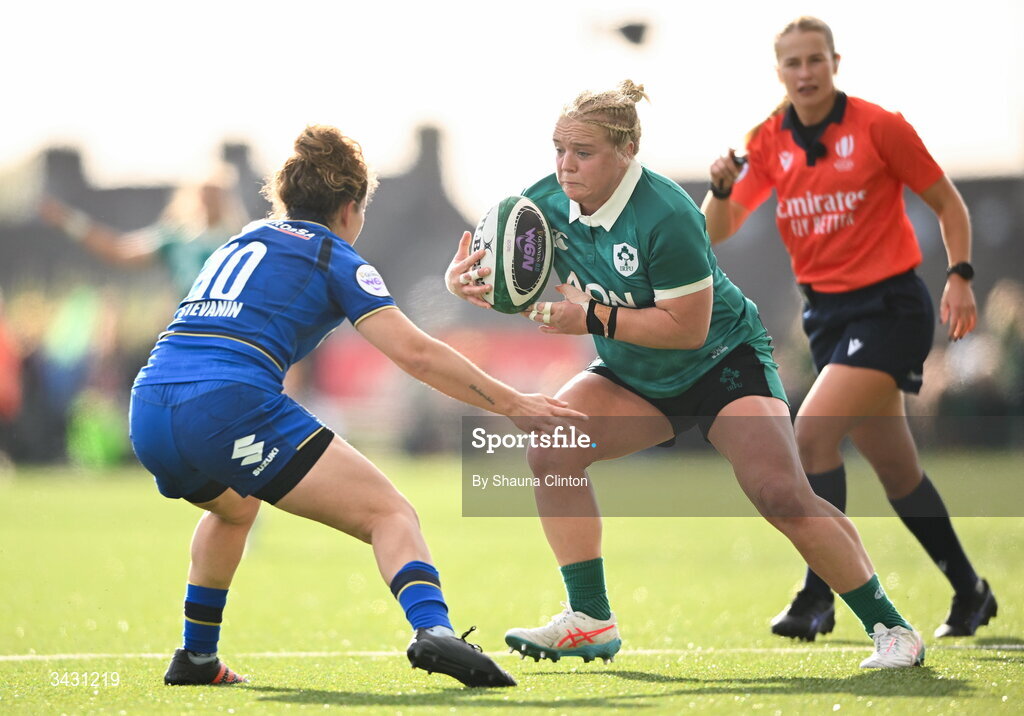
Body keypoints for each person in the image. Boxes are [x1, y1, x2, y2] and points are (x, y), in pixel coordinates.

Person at [447, 80, 925, 668]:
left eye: (583, 152)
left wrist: (587, 317)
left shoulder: (668, 213)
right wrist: (469, 284)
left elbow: (686, 329)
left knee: (781, 495)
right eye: (559, 149)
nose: (565, 166)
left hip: (721, 362)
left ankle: (892, 628)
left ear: (626, 152)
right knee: (551, 445)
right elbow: (511, 282)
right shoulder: (540, 205)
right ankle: (590, 619)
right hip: (635, 373)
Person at [129, 125, 587, 688]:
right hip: (227, 405)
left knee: (235, 508)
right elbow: (415, 352)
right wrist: (514, 404)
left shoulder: (241, 239)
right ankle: (434, 630)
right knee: (391, 513)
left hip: (149, 403)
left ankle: (197, 656)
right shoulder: (332, 254)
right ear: (349, 208)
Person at [701, 16, 996, 641]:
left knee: (810, 438)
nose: (805, 73)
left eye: (815, 60)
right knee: (898, 472)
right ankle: (971, 592)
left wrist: (961, 275)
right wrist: (719, 190)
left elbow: (949, 203)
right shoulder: (768, 139)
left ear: (836, 61)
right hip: (827, 320)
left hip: (891, 309)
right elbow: (717, 228)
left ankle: (818, 597)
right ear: (778, 71)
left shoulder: (878, 126)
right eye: (792, 63)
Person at [40, 164, 249, 297]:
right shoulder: (177, 238)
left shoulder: (244, 241)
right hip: (190, 336)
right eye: (206, 193)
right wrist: (69, 220)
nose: (210, 200)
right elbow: (119, 250)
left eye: (216, 194)